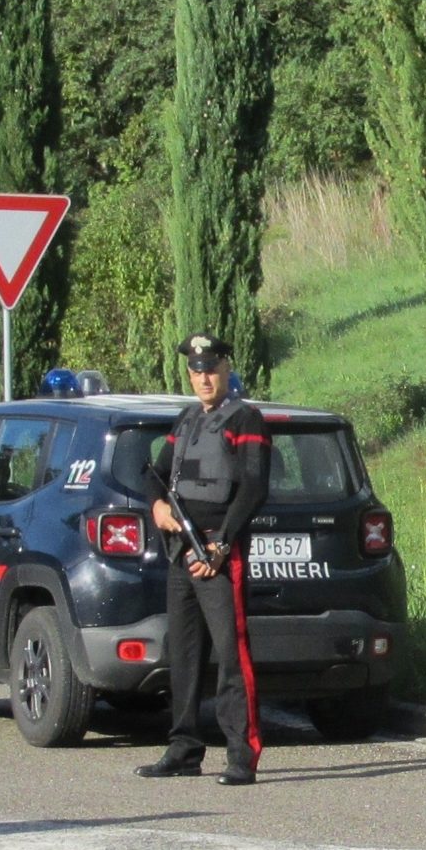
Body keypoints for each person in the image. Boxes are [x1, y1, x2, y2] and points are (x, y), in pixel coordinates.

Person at [136, 333, 270, 786]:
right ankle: (184, 748)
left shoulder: (246, 418)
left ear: (226, 369)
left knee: (233, 656)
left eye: (211, 369)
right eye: (196, 371)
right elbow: (155, 474)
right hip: (181, 555)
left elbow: (253, 487)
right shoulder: (187, 418)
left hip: (218, 552)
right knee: (184, 655)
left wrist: (221, 546)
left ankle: (242, 756)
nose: (204, 378)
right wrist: (157, 506)